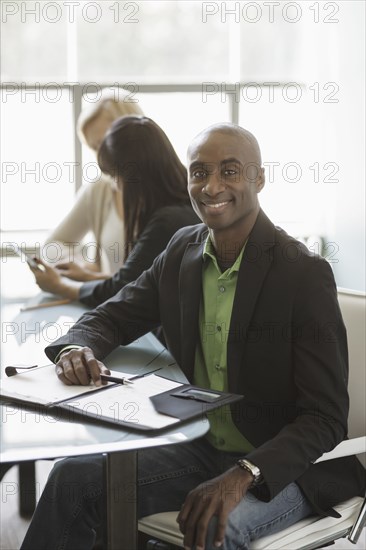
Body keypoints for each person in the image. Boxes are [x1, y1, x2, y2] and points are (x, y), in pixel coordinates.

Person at [21, 123, 365, 550]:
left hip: (287, 466)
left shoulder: (302, 273)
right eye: (199, 172)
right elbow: (113, 314)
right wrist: (76, 347)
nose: (211, 186)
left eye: (230, 171)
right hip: (202, 444)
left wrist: (244, 473)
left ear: (259, 178)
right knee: (71, 478)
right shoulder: (182, 250)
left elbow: (325, 417)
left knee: (212, 531)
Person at [31, 115, 200, 308]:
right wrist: (88, 276)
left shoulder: (167, 222)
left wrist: (59, 285)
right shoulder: (183, 206)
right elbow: (137, 281)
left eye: (116, 177)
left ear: (136, 177)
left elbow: (126, 291)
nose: (116, 186)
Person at [43, 87, 144, 282]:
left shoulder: (173, 188)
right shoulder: (100, 189)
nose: (101, 158)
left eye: (105, 143)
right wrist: (80, 264)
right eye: (94, 148)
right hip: (107, 305)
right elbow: (52, 246)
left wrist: (92, 278)